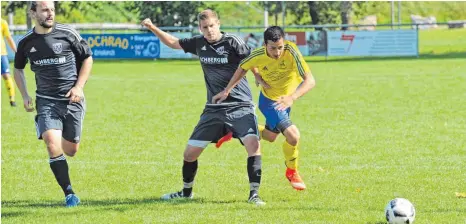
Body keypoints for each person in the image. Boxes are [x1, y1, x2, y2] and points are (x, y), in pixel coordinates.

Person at [141, 9, 265, 205]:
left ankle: (254, 195)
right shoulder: (199, 43)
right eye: (205, 27)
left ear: (219, 24)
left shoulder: (233, 41)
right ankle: (186, 193)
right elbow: (174, 43)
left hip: (240, 105)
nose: (209, 31)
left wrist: (258, 76)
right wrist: (152, 27)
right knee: (189, 154)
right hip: (214, 108)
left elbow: (249, 61)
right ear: (200, 28)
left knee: (253, 145)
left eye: (212, 26)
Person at [213, 26, 316, 191]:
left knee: (270, 136)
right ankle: (292, 171)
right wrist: (228, 90)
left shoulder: (291, 51)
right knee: (293, 136)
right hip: (270, 102)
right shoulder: (258, 55)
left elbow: (310, 81)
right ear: (265, 44)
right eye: (273, 48)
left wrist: (292, 97)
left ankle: (234, 130)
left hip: (285, 102)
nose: (277, 52)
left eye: (280, 47)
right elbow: (242, 67)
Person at [14, 1, 93, 207]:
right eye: (45, 10)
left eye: (52, 10)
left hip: (71, 100)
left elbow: (87, 58)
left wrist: (79, 87)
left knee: (71, 150)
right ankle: (69, 194)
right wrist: (24, 94)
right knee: (52, 144)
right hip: (46, 100)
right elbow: (18, 69)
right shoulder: (25, 42)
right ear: (33, 13)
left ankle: (58, 132)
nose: (50, 14)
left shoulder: (68, 34)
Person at [1, 18, 18, 107]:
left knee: (6, 75)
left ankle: (12, 99)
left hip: (2, 54)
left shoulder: (3, 22)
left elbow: (9, 38)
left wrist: (16, 52)